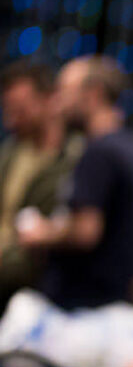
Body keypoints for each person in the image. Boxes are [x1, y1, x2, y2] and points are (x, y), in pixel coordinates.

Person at [18, 55, 133, 309]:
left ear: (93, 94)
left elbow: (86, 231)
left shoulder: (98, 152)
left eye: (64, 91)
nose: (58, 103)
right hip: (116, 303)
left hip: (80, 306)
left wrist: (41, 232)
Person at [0, 60, 82, 312]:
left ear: (51, 100)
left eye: (21, 110)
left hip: (33, 290)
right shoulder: (9, 153)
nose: (11, 121)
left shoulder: (77, 159)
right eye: (8, 111)